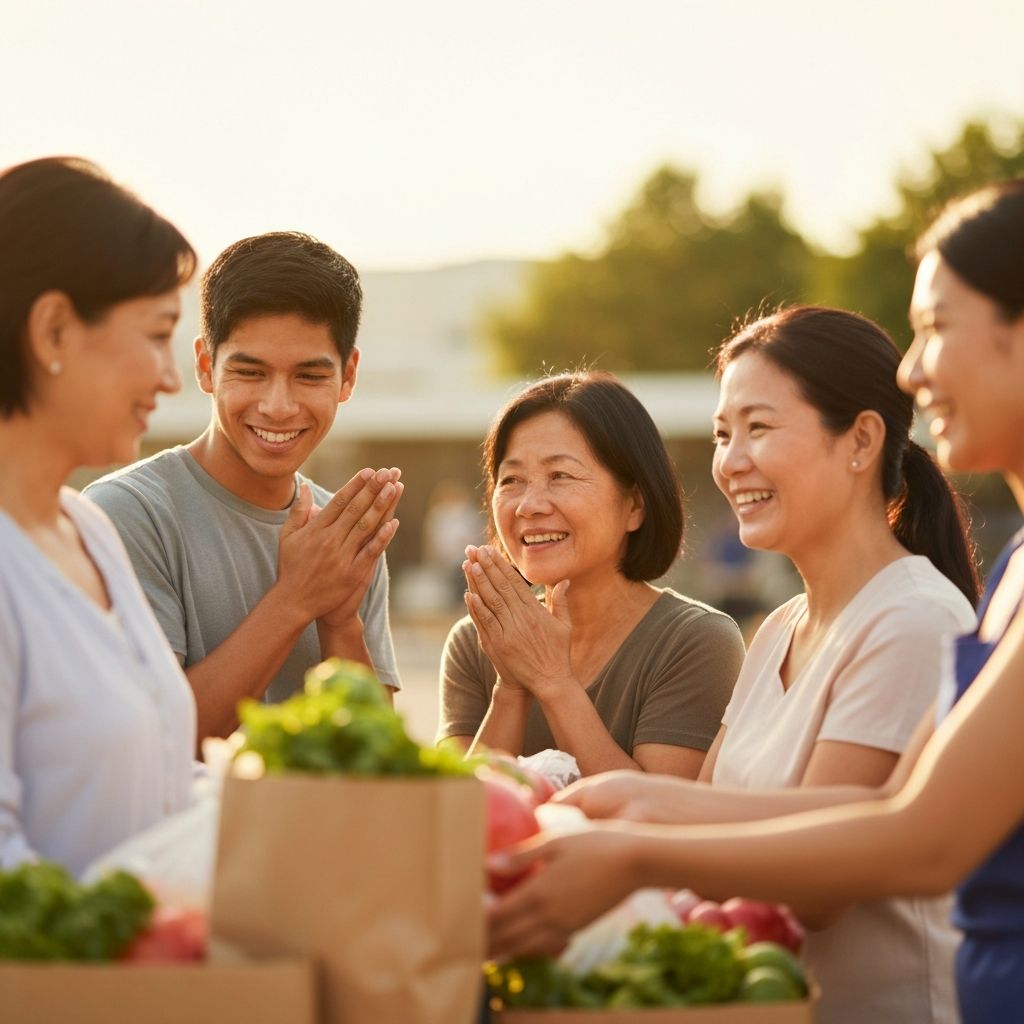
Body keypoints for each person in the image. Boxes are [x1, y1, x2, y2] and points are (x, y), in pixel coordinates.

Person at [486, 180, 1024, 1024]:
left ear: (860, 442)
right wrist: (619, 805)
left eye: (935, 330)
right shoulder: (778, 629)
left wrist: (630, 843)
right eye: (721, 434)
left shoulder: (914, 617)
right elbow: (850, 814)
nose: (913, 370)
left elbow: (896, 844)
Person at [85, 232, 402, 743]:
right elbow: (156, 742)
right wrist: (296, 599)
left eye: (309, 376)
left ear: (348, 376)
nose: (278, 406)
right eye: (249, 372)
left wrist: (340, 619)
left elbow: (375, 761)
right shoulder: (126, 513)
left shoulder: (343, 533)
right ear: (206, 366)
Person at [0, 156, 198, 876]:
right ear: (53, 330)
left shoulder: (89, 530)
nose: (171, 378)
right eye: (156, 334)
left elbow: (160, 792)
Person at [438, 371, 744, 777]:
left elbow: (660, 821)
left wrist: (552, 681)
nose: (529, 505)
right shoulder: (474, 643)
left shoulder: (696, 642)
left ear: (635, 505)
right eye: (511, 480)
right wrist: (509, 689)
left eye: (560, 476)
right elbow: (452, 817)